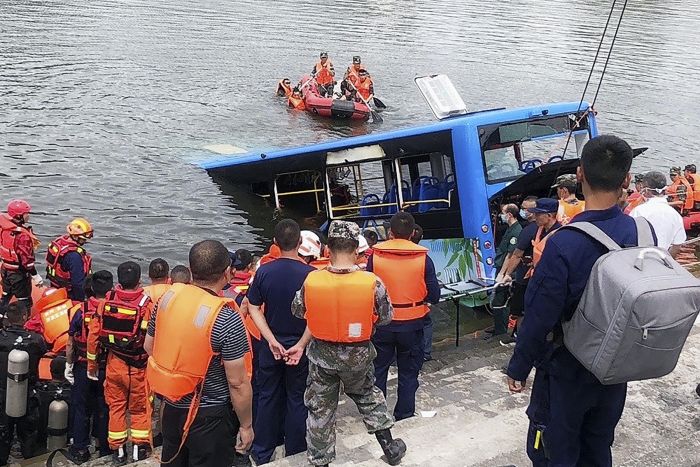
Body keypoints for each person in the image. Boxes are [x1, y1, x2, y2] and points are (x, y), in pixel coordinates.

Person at [506, 134, 653, 466]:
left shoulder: (564, 243)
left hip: (567, 369)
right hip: (616, 368)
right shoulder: (643, 234)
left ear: (580, 174)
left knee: (554, 449)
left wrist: (519, 366)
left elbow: (540, 314)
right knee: (598, 445)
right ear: (627, 179)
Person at [290, 220, 407, 467]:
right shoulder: (373, 283)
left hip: (321, 357)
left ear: (327, 251)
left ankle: (320, 462)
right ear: (356, 250)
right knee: (367, 396)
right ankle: (390, 448)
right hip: (358, 357)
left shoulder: (311, 280)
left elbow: (298, 311)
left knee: (320, 408)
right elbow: (386, 318)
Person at [145, 240, 253, 467]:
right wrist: (246, 425)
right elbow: (237, 382)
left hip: (172, 408)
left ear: (190, 269)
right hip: (210, 418)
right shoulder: (226, 316)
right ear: (227, 273)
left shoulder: (166, 300)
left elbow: (149, 347)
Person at [247, 219, 315, 464]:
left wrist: (271, 339)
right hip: (300, 346)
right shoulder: (312, 276)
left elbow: (253, 307)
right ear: (299, 243)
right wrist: (301, 344)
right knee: (297, 398)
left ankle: (262, 451)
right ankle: (295, 449)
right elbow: (317, 317)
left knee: (267, 396)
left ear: (275, 243)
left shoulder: (264, 271)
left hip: (271, 345)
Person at [368, 212, 440, 421]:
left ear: (390, 232)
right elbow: (434, 295)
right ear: (412, 234)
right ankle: (405, 414)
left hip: (383, 323)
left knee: (379, 370)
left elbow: (368, 288)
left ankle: (377, 414)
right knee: (408, 372)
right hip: (413, 324)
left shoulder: (375, 256)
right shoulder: (423, 259)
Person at [87, 261, 153, 464]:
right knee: (139, 409)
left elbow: (93, 337)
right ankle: (139, 450)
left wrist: (92, 366)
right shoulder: (147, 305)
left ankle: (118, 452)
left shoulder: (105, 303)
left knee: (115, 407)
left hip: (113, 364)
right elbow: (153, 339)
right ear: (139, 281)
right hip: (138, 367)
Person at [65, 271, 113, 462]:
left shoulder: (79, 310)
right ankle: (104, 448)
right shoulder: (113, 309)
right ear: (110, 289)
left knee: (80, 408)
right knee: (104, 407)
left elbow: (70, 342)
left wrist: (69, 365)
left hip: (83, 366)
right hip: (105, 367)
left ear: (91, 287)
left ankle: (79, 449)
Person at [0, 302, 48, 465]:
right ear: (25, 317)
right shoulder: (35, 340)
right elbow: (43, 349)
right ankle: (30, 458)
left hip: (3, 392)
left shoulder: (1, 339)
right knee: (28, 431)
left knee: (2, 430)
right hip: (28, 391)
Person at [497, 196, 538, 342]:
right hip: (534, 275)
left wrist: (506, 274)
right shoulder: (540, 228)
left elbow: (515, 254)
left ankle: (521, 339)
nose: (523, 211)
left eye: (525, 208)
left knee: (520, 309)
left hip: (525, 277)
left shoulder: (525, 231)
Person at [630, 171, 686, 258]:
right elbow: (676, 246)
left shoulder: (638, 211)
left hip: (641, 259)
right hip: (663, 261)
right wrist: (665, 260)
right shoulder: (676, 215)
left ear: (646, 190)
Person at [0, 199, 41, 313]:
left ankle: (1, 317)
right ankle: (22, 326)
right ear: (19, 215)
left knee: (6, 296)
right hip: (18, 274)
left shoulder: (4, 228)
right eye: (26, 214)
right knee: (25, 302)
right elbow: (27, 261)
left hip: (5, 269)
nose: (28, 216)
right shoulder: (22, 236)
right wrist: (35, 276)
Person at [490, 204, 522, 339]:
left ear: (509, 214)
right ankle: (497, 327)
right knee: (498, 299)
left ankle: (500, 332)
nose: (501, 216)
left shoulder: (516, 231)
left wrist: (502, 274)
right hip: (500, 266)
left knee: (500, 301)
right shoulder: (510, 229)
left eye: (503, 213)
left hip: (504, 270)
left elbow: (510, 255)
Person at [45, 218, 93, 301]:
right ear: (75, 236)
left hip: (56, 287)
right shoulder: (74, 256)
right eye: (83, 239)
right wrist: (80, 300)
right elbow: (77, 283)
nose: (85, 241)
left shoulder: (60, 243)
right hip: (69, 294)